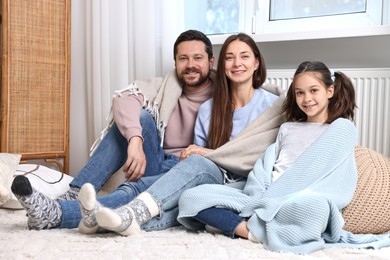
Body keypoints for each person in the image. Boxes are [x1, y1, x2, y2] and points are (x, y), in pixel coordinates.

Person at [81, 32, 286, 236]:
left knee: (187, 197)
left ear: (256, 62)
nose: (237, 63)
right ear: (222, 65)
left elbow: (267, 155)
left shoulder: (273, 107)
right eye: (230, 58)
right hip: (206, 174)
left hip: (241, 180)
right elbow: (196, 159)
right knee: (184, 191)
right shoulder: (209, 109)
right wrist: (136, 139)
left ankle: (104, 217)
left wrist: (207, 154)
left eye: (244, 56)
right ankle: (97, 207)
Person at [10, 29, 216, 230]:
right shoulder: (163, 87)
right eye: (183, 58)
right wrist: (135, 139)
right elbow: (123, 98)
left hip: (186, 171)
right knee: (138, 117)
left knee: (135, 190)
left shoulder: (225, 97)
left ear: (211, 62)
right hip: (157, 159)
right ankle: (75, 193)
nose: (190, 65)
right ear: (175, 63)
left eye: (197, 58)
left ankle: (57, 213)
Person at [177, 61, 390, 254]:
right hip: (265, 196)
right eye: (299, 93)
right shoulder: (288, 128)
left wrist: (274, 200)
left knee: (317, 209)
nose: (307, 99)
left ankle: (243, 227)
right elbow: (264, 167)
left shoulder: (341, 128)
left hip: (299, 199)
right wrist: (260, 195)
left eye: (313, 90)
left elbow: (318, 175)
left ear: (330, 90)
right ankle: (254, 230)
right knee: (192, 196)